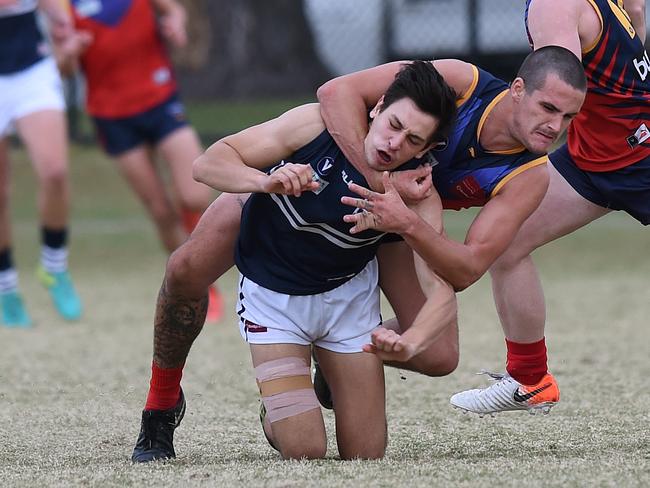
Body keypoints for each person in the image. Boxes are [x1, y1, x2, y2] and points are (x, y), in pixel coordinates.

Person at [130, 47, 586, 462]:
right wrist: (375, 182)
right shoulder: (458, 80)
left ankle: (333, 360)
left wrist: (401, 215)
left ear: (430, 148)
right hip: (305, 197)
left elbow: (464, 270)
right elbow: (334, 92)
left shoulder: (528, 175)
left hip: (391, 225)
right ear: (519, 89)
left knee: (439, 354)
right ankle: (161, 405)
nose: (555, 126)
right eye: (548, 108)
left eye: (568, 118)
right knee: (185, 269)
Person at [133, 60, 458, 461]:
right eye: (394, 125)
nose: (395, 144)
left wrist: (408, 340)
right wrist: (264, 181)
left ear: (426, 151)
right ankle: (163, 405)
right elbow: (207, 164)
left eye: (413, 140)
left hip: (345, 300)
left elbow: (442, 291)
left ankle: (322, 362)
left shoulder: (418, 192)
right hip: (276, 291)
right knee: (304, 450)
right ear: (376, 109)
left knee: (366, 456)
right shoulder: (317, 126)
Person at [449, 0, 650, 415]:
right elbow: (638, 17)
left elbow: (558, 91)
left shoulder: (554, 5)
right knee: (507, 242)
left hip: (638, 154)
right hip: (593, 159)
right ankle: (530, 379)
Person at [57, 0, 223, 320]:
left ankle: (200, 267)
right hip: (112, 117)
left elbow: (174, 10)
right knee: (161, 212)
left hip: (160, 101)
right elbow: (63, 67)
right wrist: (68, 53)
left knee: (194, 193)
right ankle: (198, 289)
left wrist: (175, 23)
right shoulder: (64, 6)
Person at [0, 0, 83, 327]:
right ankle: (6, 289)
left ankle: (54, 266)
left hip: (31, 70)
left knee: (55, 172)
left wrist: (60, 21)